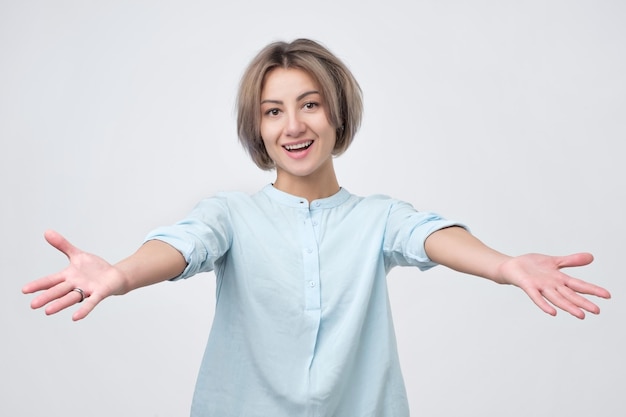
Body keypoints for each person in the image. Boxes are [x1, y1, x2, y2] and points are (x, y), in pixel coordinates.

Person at [22, 38, 611, 417]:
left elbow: (428, 235)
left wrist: (505, 265)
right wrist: (120, 275)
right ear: (258, 129)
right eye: (273, 111)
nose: (293, 125)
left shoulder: (377, 217)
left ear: (337, 113)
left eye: (309, 104)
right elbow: (184, 244)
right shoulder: (232, 214)